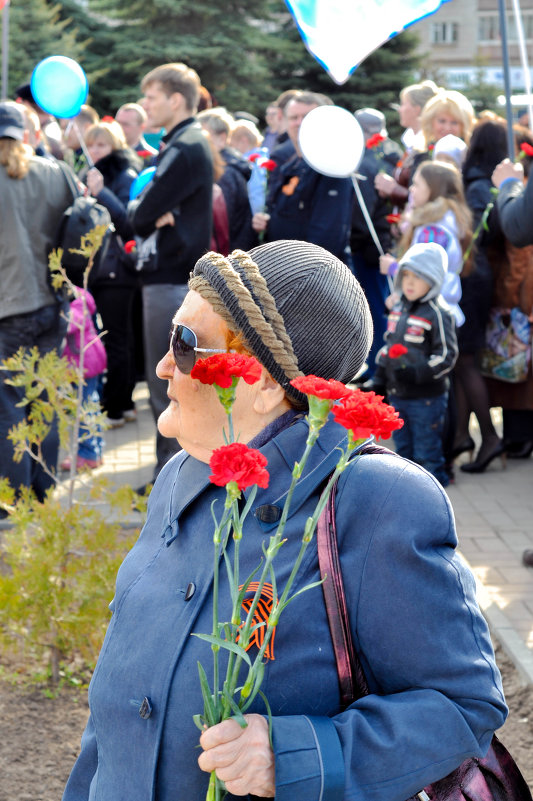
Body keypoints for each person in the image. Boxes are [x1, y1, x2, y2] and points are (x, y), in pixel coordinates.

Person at [63, 239, 507, 801]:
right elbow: (115, 716)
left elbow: (463, 707)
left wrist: (294, 755)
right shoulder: (182, 475)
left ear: (266, 382)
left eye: (187, 343)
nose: (163, 364)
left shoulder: (374, 501)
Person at [129, 62, 213, 477]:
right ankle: (171, 474)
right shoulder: (183, 142)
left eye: (152, 96)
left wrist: (146, 212)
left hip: (170, 280)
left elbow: (141, 216)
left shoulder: (185, 147)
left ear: (176, 100)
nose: (146, 105)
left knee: (168, 385)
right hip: (171, 277)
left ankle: (172, 477)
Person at [0, 101, 75, 503]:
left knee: (9, 404)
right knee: (43, 396)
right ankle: (43, 491)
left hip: (7, 308)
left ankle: (12, 499)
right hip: (51, 303)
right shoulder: (55, 173)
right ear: (23, 134)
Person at [368, 243, 457, 486]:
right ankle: (407, 494)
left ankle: (434, 495)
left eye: (418, 276)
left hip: (426, 399)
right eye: (406, 274)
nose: (409, 282)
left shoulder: (439, 313)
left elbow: (446, 356)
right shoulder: (398, 308)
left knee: (427, 453)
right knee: (402, 451)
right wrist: (379, 380)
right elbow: (388, 347)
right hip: (399, 395)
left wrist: (418, 372)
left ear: (433, 279)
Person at [454, 117, 509, 473]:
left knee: (465, 360)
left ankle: (488, 436)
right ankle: (462, 436)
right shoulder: (491, 183)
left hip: (471, 277)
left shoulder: (474, 185)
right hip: (480, 276)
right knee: (461, 360)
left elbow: (476, 235)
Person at [85, 120, 140, 428]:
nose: (94, 150)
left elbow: (127, 221)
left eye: (101, 145)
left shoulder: (123, 175)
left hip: (117, 271)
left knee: (117, 339)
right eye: (91, 144)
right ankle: (124, 402)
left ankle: (116, 406)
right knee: (120, 339)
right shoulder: (94, 174)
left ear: (115, 146)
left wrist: (101, 193)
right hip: (104, 270)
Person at [253, 93, 353, 260]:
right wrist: (266, 222)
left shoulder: (331, 168)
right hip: (282, 270)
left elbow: (325, 241)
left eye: (306, 117)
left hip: (311, 277)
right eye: (294, 117)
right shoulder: (291, 164)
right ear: (285, 121)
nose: (299, 123)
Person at [350, 108, 403, 378]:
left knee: (375, 307)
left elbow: (363, 211)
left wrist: (354, 239)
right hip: (384, 241)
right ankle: (378, 364)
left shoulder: (368, 160)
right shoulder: (394, 152)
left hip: (371, 245)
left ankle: (378, 366)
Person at [197, 107, 256, 251]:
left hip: (226, 257)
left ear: (222, 138)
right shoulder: (227, 166)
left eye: (204, 135)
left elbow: (220, 225)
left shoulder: (223, 172)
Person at [60, 289, 107, 471]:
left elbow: (70, 323)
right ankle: (95, 450)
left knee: (83, 408)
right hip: (85, 360)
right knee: (90, 405)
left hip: (84, 362)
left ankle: (88, 454)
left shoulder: (77, 301)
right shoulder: (82, 296)